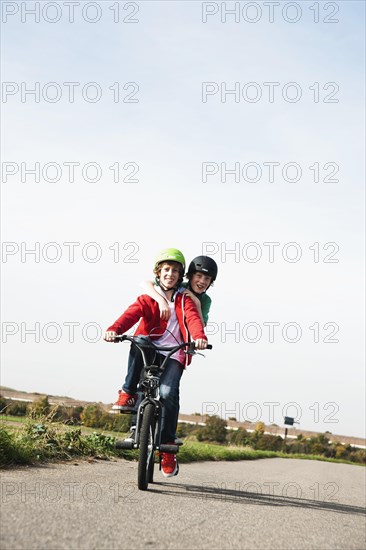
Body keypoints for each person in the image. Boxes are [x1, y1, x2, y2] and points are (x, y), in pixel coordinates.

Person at [104, 248, 208, 477]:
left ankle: (167, 449)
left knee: (168, 392)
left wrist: (199, 337)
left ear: (181, 276)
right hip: (149, 348)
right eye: (166, 270)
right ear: (158, 274)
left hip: (174, 353)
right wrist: (114, 329)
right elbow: (131, 314)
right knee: (139, 343)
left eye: (175, 271)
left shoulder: (184, 300)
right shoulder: (148, 297)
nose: (170, 274)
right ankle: (128, 393)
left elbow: (192, 319)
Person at [141, 255, 218, 326]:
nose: (202, 281)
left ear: (210, 282)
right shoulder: (178, 286)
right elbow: (145, 283)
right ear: (190, 276)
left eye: (207, 278)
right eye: (198, 276)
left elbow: (201, 326)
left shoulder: (206, 300)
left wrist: (197, 303)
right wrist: (161, 301)